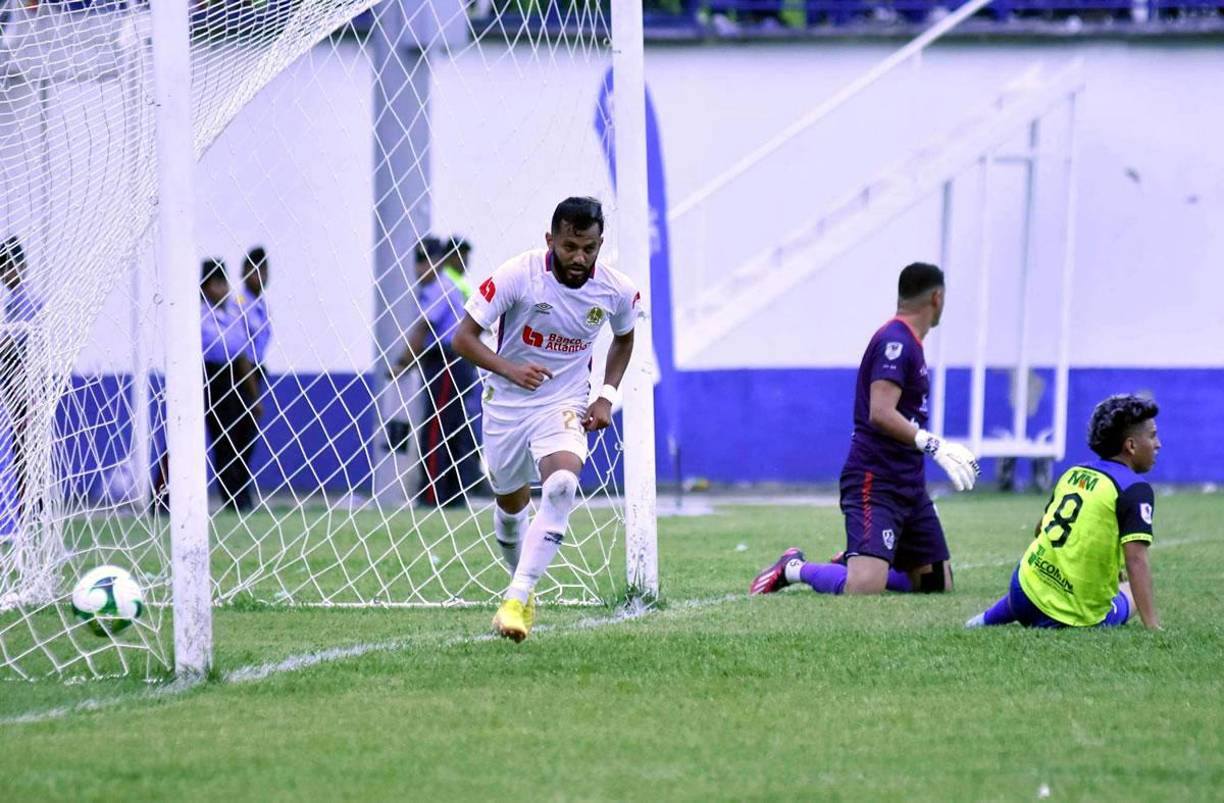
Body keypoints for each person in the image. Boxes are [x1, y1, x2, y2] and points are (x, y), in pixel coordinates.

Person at [452, 197, 638, 642]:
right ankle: (520, 584)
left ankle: (517, 599)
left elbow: (624, 339)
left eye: (589, 248)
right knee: (510, 505)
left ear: (600, 244)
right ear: (550, 240)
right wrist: (510, 368)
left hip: (564, 402)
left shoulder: (615, 289)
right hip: (505, 404)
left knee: (560, 486)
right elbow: (462, 338)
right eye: (571, 246)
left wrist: (606, 397)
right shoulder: (519, 275)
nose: (579, 258)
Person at [750, 262, 979, 598]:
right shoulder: (896, 342)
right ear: (937, 297)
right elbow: (881, 413)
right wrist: (934, 445)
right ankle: (793, 568)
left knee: (934, 584)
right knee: (864, 588)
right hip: (876, 480)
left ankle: (861, 557)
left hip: (909, 482)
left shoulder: (911, 343)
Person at [967, 394, 1162, 630]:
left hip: (1021, 590)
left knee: (1034, 584)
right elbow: (1136, 561)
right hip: (1067, 615)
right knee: (1129, 590)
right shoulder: (1135, 488)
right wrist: (1153, 628)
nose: (1158, 444)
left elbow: (1041, 528)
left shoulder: (1073, 472)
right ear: (1130, 445)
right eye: (1152, 436)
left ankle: (984, 619)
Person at [396, 237, 482, 507]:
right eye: (418, 263)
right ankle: (454, 495)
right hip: (458, 363)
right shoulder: (448, 285)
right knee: (454, 428)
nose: (421, 269)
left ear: (439, 261)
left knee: (436, 428)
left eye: (427, 261)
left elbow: (423, 329)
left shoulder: (439, 287)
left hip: (446, 362)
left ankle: (433, 494)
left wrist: (401, 363)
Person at [200, 258, 260, 513]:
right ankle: (232, 499)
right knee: (223, 440)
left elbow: (241, 351)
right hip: (208, 377)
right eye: (217, 284)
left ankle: (241, 493)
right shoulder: (198, 316)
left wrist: (253, 395)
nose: (223, 289)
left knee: (242, 436)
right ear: (205, 287)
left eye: (225, 283)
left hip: (234, 376)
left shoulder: (232, 312)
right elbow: (219, 345)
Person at [0, 236, 41, 513]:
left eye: (8, 268)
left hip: (26, 378)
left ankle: (31, 505)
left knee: (27, 443)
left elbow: (20, 342)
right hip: (16, 378)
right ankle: (26, 504)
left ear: (21, 267)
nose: (4, 275)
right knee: (20, 443)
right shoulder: (13, 302)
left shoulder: (28, 301)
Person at [236, 246, 271, 497]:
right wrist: (253, 393)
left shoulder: (262, 305)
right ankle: (236, 495)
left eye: (265, 270)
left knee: (249, 437)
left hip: (258, 370)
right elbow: (242, 349)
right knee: (237, 437)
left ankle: (243, 492)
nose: (262, 276)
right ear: (245, 273)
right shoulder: (239, 304)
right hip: (241, 374)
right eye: (256, 270)